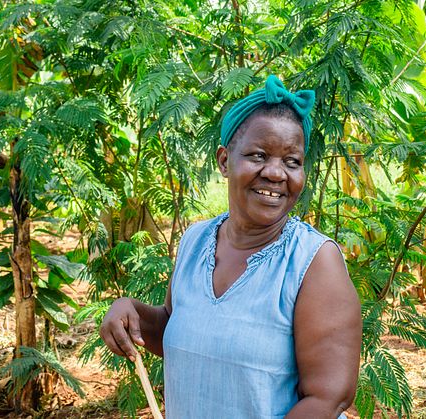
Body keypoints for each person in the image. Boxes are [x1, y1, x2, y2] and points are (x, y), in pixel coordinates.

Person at [99, 75, 362, 419]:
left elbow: (328, 398)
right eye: (258, 155)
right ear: (224, 161)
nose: (275, 173)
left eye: (292, 161)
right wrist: (128, 311)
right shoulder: (195, 240)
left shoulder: (313, 261)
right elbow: (183, 333)